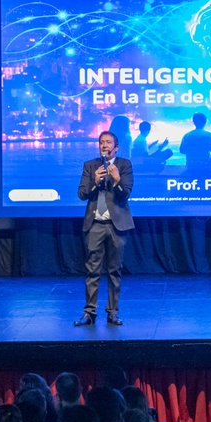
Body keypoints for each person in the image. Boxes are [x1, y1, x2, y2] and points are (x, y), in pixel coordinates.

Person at [75, 130, 133, 327]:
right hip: (95, 225)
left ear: (116, 147)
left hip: (117, 225)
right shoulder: (90, 166)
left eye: (108, 142)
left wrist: (116, 180)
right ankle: (89, 313)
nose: (104, 145)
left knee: (114, 270)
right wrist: (95, 182)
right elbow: (82, 194)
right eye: (101, 142)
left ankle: (113, 312)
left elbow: (125, 194)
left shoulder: (124, 165)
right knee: (92, 270)